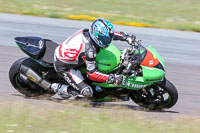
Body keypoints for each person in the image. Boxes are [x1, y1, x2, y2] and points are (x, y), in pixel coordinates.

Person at [51, 18, 136, 98]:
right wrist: (111, 78)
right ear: (96, 36)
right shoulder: (89, 51)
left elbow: (109, 35)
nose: (108, 42)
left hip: (70, 54)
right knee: (87, 92)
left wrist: (126, 37)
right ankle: (57, 87)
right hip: (64, 66)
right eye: (104, 39)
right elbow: (92, 74)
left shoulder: (89, 33)